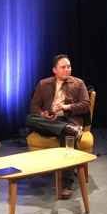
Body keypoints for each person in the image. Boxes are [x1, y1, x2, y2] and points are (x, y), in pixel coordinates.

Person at [27, 54, 90, 199]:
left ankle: (66, 183)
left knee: (67, 134)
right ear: (54, 70)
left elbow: (86, 105)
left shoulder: (78, 83)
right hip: (49, 122)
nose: (67, 69)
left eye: (69, 66)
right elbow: (34, 106)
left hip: (68, 120)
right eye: (63, 67)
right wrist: (43, 114)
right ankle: (67, 129)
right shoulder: (43, 84)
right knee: (30, 119)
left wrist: (67, 107)